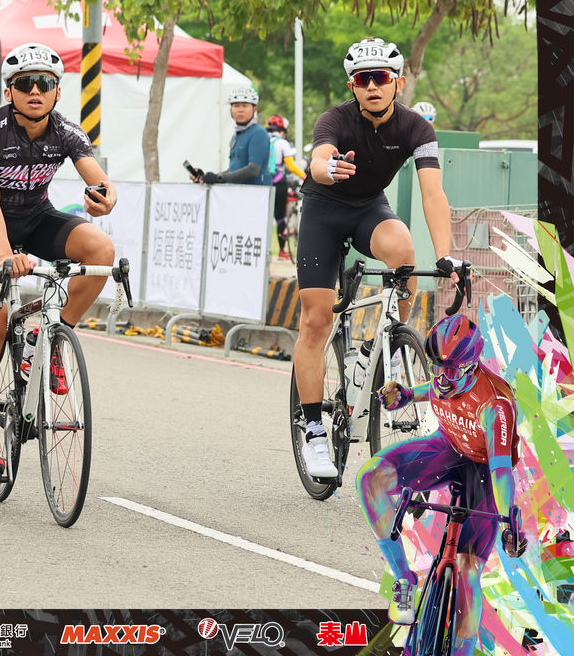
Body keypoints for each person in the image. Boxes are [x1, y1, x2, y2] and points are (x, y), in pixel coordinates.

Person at [292, 37, 461, 479]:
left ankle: (392, 344)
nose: (372, 86)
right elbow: (319, 158)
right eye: (362, 79)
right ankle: (313, 430)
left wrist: (446, 256)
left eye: (381, 78)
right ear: (352, 85)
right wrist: (327, 169)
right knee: (316, 320)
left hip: (369, 209)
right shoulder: (335, 119)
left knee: (404, 249)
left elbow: (433, 193)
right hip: (324, 211)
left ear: (397, 83)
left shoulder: (416, 129)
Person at [0, 42, 116, 481]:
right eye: (25, 83)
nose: (35, 91)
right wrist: (6, 257)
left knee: (101, 250)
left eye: (44, 84)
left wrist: (106, 199)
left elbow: (99, 180)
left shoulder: (67, 132)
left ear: (57, 92)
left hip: (36, 218)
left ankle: (50, 337)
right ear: (9, 91)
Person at [358, 315, 527, 656]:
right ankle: (404, 579)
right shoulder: (445, 376)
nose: (442, 378)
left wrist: (510, 521)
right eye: (437, 367)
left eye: (451, 371)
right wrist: (407, 395)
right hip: (447, 447)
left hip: (485, 471)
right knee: (370, 478)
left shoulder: (495, 406)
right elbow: (434, 388)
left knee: (467, 574)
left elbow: (500, 470)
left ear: (472, 365)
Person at [189, 85, 272, 186]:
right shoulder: (237, 134)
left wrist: (218, 178)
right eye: (236, 106)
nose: (240, 110)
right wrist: (207, 177)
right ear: (231, 109)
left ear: (254, 109)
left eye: (245, 105)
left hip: (256, 193)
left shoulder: (258, 133)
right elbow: (233, 170)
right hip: (237, 192)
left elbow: (253, 170)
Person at [266, 114, 307, 260]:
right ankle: (282, 251)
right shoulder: (282, 143)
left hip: (264, 183)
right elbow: (291, 166)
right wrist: (304, 176)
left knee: (264, 216)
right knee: (280, 216)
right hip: (279, 183)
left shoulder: (263, 139)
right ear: (284, 130)